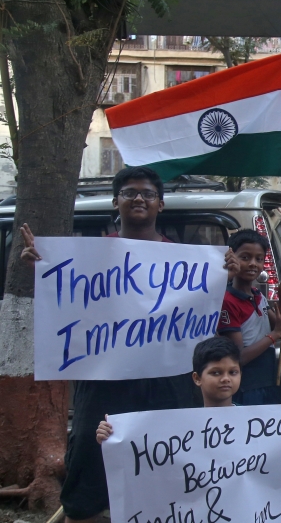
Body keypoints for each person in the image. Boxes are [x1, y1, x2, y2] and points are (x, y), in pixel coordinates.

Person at [19, 166, 238, 523]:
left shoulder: (186, 260)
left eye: (148, 194)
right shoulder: (88, 257)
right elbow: (66, 300)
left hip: (168, 384)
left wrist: (219, 277)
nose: (139, 199)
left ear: (160, 205)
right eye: (130, 192)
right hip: (104, 382)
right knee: (91, 467)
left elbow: (201, 313)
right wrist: (43, 272)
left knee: (169, 469)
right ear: (116, 201)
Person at [96, 337, 281, 442]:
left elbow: (279, 445)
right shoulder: (179, 423)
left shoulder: (253, 421)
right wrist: (112, 435)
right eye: (216, 373)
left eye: (232, 372)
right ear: (196, 378)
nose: (225, 379)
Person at [217, 229, 281, 405]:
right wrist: (274, 335)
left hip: (267, 380)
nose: (253, 264)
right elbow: (239, 357)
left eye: (259, 259)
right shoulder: (227, 301)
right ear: (231, 257)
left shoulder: (257, 295)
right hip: (246, 386)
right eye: (245, 257)